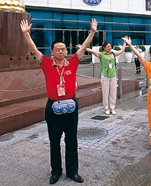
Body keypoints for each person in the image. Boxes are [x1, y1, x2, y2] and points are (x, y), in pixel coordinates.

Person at [20, 18, 98, 184]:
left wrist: (92, 32)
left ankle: (72, 172)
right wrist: (26, 34)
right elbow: (33, 50)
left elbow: (84, 47)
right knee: (54, 142)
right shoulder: (46, 64)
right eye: (58, 49)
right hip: (52, 108)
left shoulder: (73, 63)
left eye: (63, 49)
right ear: (52, 51)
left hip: (71, 107)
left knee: (72, 141)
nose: (62, 52)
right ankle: (55, 172)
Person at [82, 40, 125, 115]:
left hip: (113, 75)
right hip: (105, 75)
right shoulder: (101, 54)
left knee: (113, 92)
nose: (109, 48)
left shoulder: (113, 54)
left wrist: (125, 43)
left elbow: (121, 51)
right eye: (108, 46)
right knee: (105, 93)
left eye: (110, 46)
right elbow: (91, 51)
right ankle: (106, 108)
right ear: (104, 47)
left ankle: (112, 108)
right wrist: (83, 47)